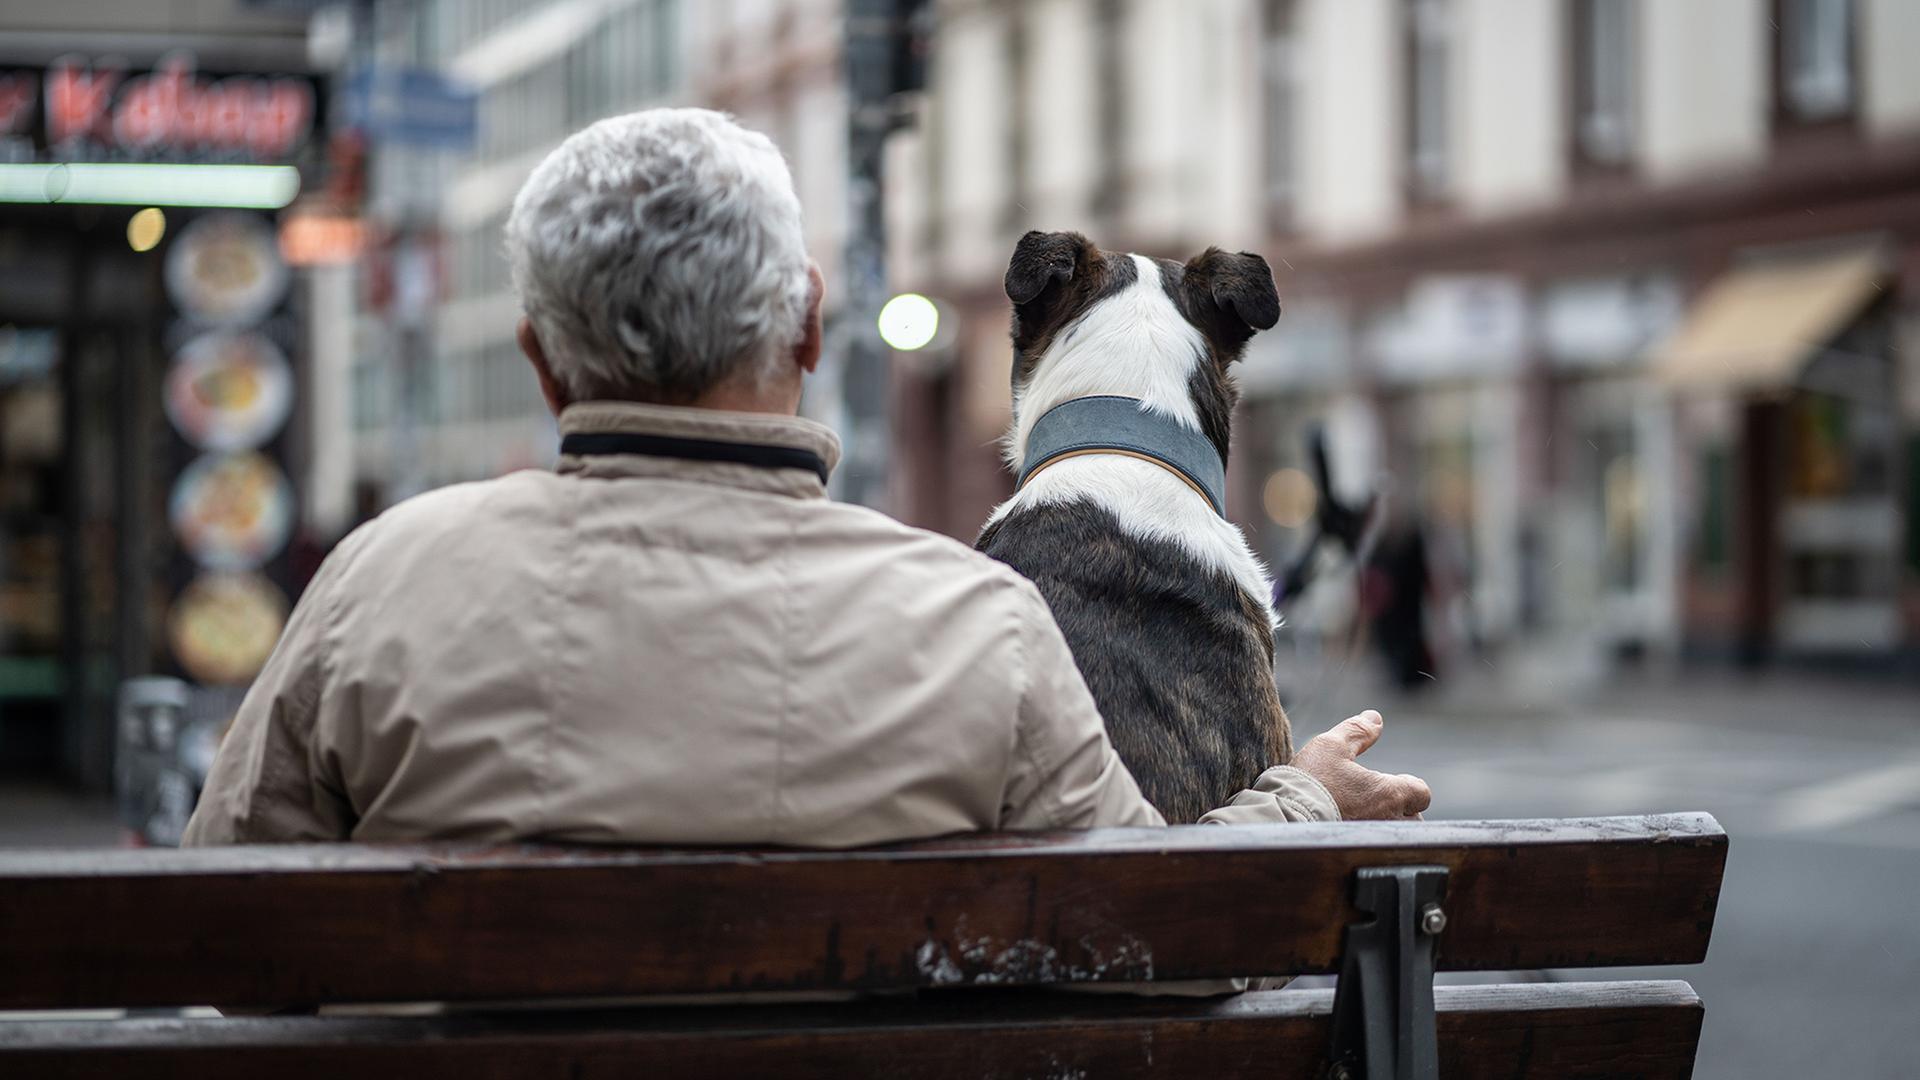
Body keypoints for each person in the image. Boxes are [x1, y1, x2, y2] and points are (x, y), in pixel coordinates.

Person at [182, 109, 1429, 852]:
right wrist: (1298, 801)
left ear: (541, 364)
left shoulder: (375, 589)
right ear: (808, 333)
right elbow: (1151, 935)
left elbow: (221, 921)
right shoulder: (975, 624)